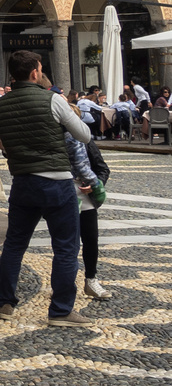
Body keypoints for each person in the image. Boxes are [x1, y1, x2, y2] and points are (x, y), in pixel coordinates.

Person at [0, 49, 94, 327]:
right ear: (35, 72)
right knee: (65, 246)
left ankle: (5, 302)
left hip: (23, 181)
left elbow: (5, 142)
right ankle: (61, 310)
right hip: (57, 181)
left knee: (14, 243)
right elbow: (84, 135)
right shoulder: (53, 99)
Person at [65, 114, 112, 301]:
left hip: (85, 197)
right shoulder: (53, 139)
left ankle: (91, 279)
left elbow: (102, 168)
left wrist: (95, 184)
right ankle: (63, 284)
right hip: (63, 195)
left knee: (90, 239)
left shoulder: (86, 141)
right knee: (66, 243)